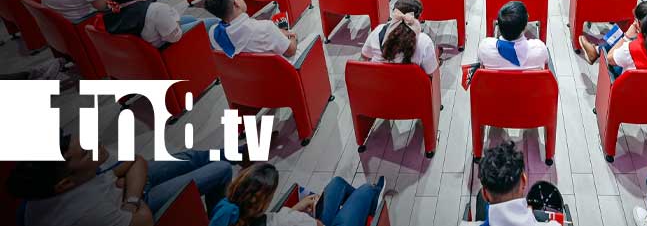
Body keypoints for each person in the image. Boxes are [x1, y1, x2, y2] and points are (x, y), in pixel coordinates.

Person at [7, 132, 233, 226]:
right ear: (65, 184)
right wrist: (134, 196)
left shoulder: (64, 178)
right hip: (139, 206)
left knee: (188, 157)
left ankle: (233, 152)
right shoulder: (84, 212)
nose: (96, 145)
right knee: (221, 170)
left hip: (129, 195)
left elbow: (135, 161)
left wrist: (130, 189)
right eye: (87, 152)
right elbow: (143, 222)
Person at [208, 162, 382, 226]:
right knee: (366, 190)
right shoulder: (287, 221)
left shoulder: (231, 215)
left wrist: (298, 207)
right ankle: (374, 202)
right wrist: (302, 216)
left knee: (336, 183)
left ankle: (367, 201)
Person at [105, 0, 216, 45]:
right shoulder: (156, 9)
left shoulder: (117, 9)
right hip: (166, 47)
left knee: (190, 18)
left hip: (147, 41)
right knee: (213, 21)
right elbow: (174, 37)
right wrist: (175, 19)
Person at [578, 0, 647, 73]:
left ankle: (597, 51)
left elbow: (609, 59)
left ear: (639, 24)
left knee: (620, 41)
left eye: (635, 20)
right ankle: (596, 50)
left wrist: (626, 37)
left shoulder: (630, 49)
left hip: (632, 90)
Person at [205, 0, 297, 58]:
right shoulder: (265, 28)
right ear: (236, 3)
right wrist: (293, 36)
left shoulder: (213, 33)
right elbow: (290, 51)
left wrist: (277, 34)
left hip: (246, 79)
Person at [361, 0, 438, 75]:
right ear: (419, 17)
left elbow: (365, 55)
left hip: (380, 82)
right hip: (409, 85)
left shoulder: (378, 31)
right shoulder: (424, 41)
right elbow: (430, 71)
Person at [478, 1, 548, 69]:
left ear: (499, 25)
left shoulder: (484, 47)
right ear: (525, 26)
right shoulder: (540, 49)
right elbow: (546, 63)